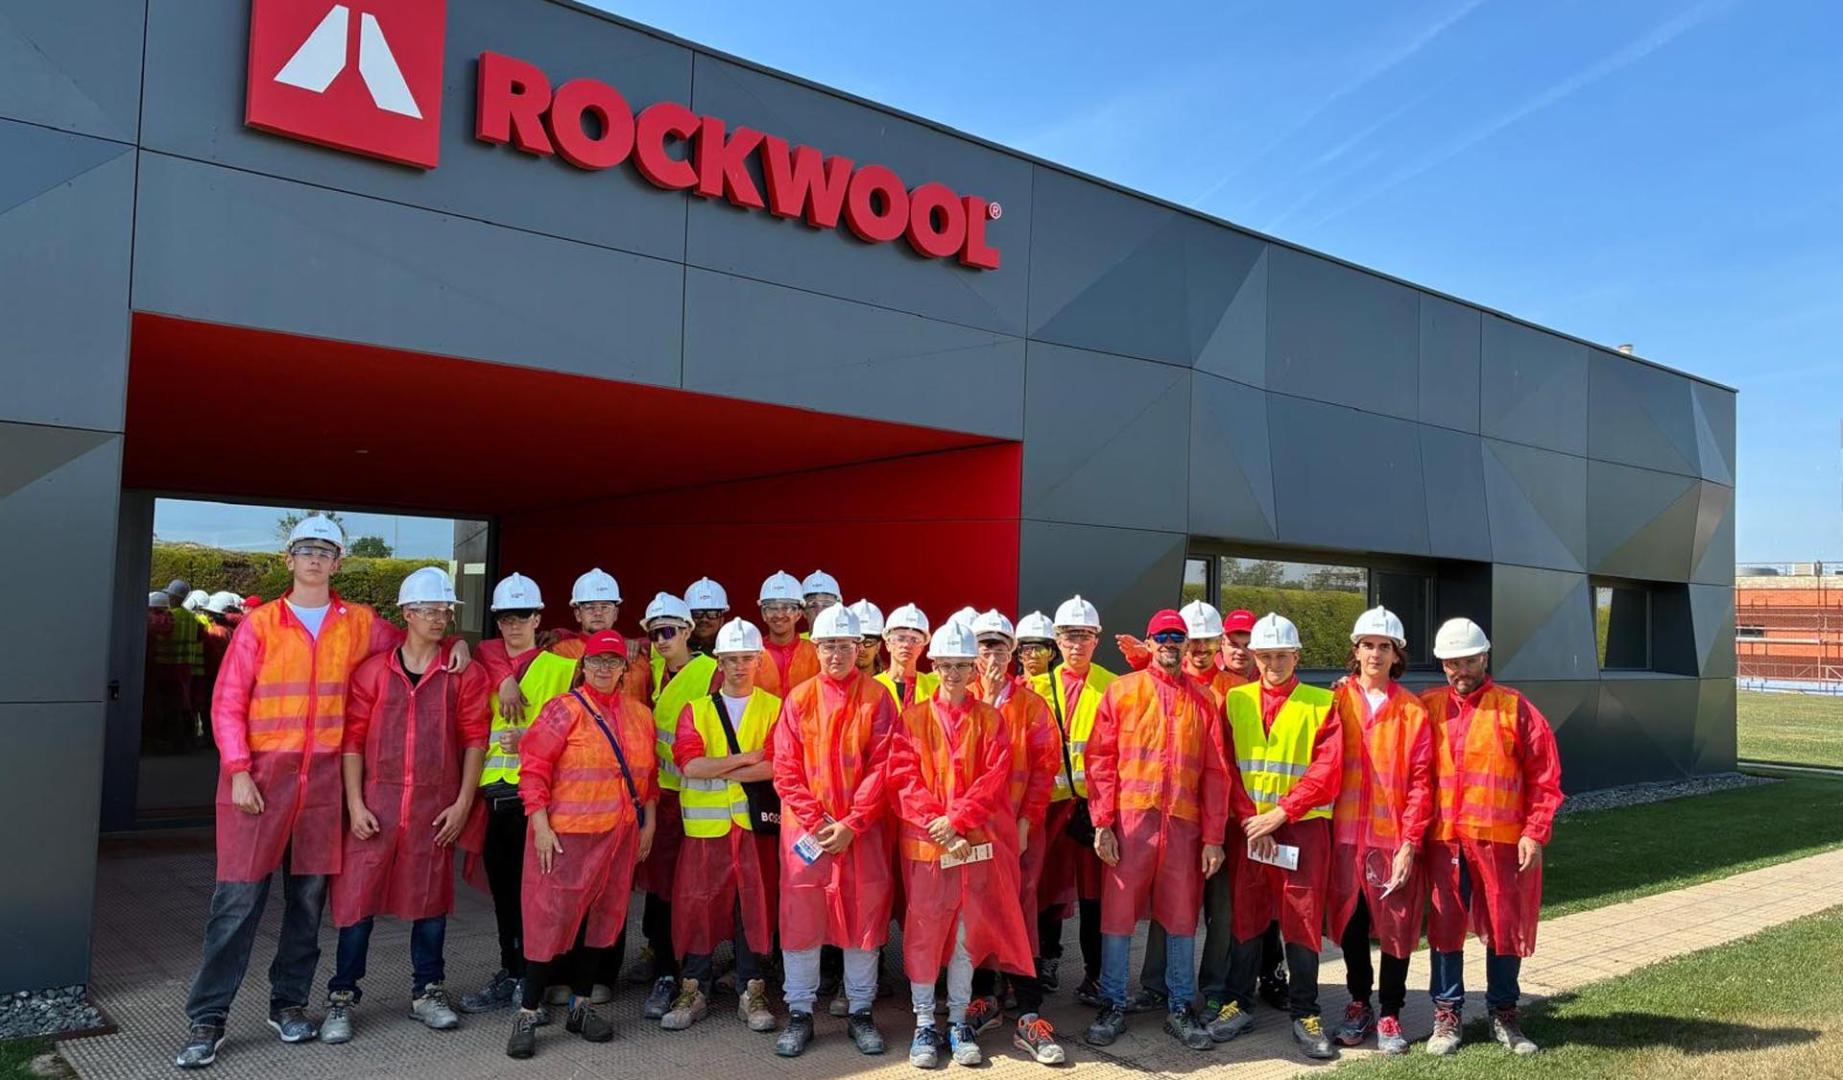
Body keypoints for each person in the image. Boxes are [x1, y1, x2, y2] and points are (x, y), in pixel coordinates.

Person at [174, 516, 469, 1070]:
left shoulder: (359, 623)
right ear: (290, 559)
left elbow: (416, 636)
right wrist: (238, 769)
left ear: (337, 563)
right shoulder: (259, 624)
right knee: (235, 906)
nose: (314, 558)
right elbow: (227, 701)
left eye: (325, 551)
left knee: (307, 906)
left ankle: (289, 1006)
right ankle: (207, 1017)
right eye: (305, 549)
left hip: (325, 786)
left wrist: (457, 643)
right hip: (260, 781)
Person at [321, 568, 490, 1044]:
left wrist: (462, 803)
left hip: (433, 808)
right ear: (407, 614)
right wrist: (354, 804)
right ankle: (341, 997)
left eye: (446, 611)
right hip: (377, 804)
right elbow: (352, 741)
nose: (440, 618)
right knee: (356, 906)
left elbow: (476, 738)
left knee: (431, 904)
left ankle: (428, 991)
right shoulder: (374, 671)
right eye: (431, 610)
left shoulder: (463, 675)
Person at [504, 630, 659, 1060]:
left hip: (619, 835)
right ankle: (529, 1011)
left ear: (625, 669)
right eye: (597, 662)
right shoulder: (563, 710)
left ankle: (581, 1005)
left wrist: (647, 826)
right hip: (565, 837)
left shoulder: (639, 715)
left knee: (603, 921)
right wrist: (540, 825)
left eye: (613, 661)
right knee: (547, 921)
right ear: (584, 666)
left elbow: (647, 780)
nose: (605, 668)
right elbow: (533, 768)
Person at [889, 619, 1034, 1069]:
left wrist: (956, 820)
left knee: (964, 941)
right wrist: (937, 821)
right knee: (924, 936)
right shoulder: (912, 719)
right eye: (946, 665)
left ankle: (957, 1021)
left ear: (974, 669)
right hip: (929, 847)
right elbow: (901, 777)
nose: (953, 673)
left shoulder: (990, 720)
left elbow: (994, 780)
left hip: (969, 845)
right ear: (933, 666)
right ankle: (924, 1025)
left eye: (961, 665)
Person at [1081, 610, 1229, 1052]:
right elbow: (1100, 761)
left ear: (1186, 646)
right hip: (1130, 824)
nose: (1170, 643)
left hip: (1182, 828)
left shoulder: (1205, 701)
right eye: (1162, 636)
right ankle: (1111, 1003)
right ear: (1149, 642)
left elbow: (1216, 774)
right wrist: (1103, 823)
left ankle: (1181, 1007)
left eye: (1177, 637)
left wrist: (1214, 838)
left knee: (1182, 919)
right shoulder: (1122, 692)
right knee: (1117, 918)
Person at [1421, 618, 1563, 1057]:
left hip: (1502, 842)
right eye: (1450, 663)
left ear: (1485, 657)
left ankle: (1504, 1013)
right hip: (1445, 841)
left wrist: (1534, 833)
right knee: (1445, 928)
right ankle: (1447, 1016)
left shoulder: (1515, 708)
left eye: (1467, 660)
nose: (1459, 670)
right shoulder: (1426, 708)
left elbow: (1545, 778)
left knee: (1505, 927)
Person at [768, 604, 896, 1058]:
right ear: (815, 648)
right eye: (828, 645)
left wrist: (852, 823)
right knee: (802, 920)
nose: (836, 654)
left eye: (845, 645)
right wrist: (820, 822)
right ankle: (799, 1012)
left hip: (860, 835)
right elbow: (785, 769)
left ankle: (861, 1011)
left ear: (859, 648)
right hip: (809, 835)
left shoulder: (878, 699)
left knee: (862, 918)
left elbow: (884, 765)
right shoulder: (798, 699)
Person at [1220, 613, 1342, 1059]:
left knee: (1302, 921)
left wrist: (1279, 816)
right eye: (1265, 655)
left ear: (1297, 656)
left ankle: (1305, 1012)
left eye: (1281, 655)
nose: (1273, 663)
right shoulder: (1235, 701)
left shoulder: (1322, 704)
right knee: (1246, 917)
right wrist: (1253, 820)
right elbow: (1226, 768)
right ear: (1253, 657)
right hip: (1251, 829)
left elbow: (1326, 771)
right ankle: (1237, 1003)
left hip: (1302, 830)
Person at [1135, 600, 1255, 1017]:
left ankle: (1214, 986)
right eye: (1194, 640)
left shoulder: (1235, 689)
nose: (1200, 648)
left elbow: (1230, 764)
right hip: (1175, 816)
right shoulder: (1165, 681)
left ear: (1216, 641)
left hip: (1221, 818)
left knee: (1221, 909)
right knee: (1168, 904)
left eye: (1207, 640)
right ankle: (1156, 983)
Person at [665, 618, 783, 1032]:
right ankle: (693, 986)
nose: (738, 667)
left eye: (746, 658)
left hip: (753, 830)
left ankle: (752, 990)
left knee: (754, 906)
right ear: (718, 661)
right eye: (730, 659)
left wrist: (724, 769)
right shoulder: (695, 709)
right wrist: (746, 759)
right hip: (706, 832)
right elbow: (690, 765)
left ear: (759, 660)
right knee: (698, 904)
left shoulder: (775, 707)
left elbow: (777, 766)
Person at [1325, 607, 1433, 1055]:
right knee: (1351, 923)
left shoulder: (1412, 710)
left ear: (1396, 654)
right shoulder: (1333, 700)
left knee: (1395, 927)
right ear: (1355, 651)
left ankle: (1390, 1011)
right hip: (1345, 835)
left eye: (1383, 646)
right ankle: (1357, 1002)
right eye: (1367, 645)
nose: (1374, 653)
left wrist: (1411, 842)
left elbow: (1422, 780)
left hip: (1392, 838)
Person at [966, 610, 1065, 1064]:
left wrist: (1027, 823)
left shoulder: (1031, 705)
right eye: (984, 646)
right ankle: (983, 997)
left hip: (1020, 830)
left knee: (1020, 909)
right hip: (972, 832)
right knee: (977, 909)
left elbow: (1045, 770)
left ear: (1014, 653)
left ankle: (1028, 1010)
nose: (992, 654)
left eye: (1000, 646)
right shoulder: (958, 698)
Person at [458, 573, 549, 1014]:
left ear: (538, 619)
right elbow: (475, 651)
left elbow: (575, 728)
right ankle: (511, 972)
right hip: (495, 802)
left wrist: (531, 739)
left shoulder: (561, 665)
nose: (513, 625)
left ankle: (534, 981)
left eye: (522, 616)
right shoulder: (485, 659)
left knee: (537, 898)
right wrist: (501, 678)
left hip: (536, 805)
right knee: (505, 898)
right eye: (505, 618)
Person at [638, 592, 722, 1020]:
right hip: (656, 796)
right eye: (653, 632)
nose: (660, 639)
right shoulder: (650, 668)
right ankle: (660, 960)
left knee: (682, 891)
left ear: (688, 631)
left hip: (692, 798)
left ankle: (677, 973)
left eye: (668, 631)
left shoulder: (711, 673)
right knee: (657, 888)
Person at [1031, 595, 1114, 1005]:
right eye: (1068, 635)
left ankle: (1095, 974)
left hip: (1093, 808)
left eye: (1084, 635)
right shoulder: (1036, 686)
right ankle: (1045, 960)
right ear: (1056, 640)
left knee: (1093, 896)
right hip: (1048, 806)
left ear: (1096, 639)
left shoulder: (1113, 686)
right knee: (1044, 887)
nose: (1076, 643)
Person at [756, 571, 820, 697]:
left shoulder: (816, 653)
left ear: (798, 614)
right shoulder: (752, 654)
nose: (779, 615)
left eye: (787, 608)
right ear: (763, 614)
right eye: (772, 608)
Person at [876, 604, 940, 709]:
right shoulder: (873, 686)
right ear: (888, 644)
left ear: (921, 648)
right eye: (901, 638)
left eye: (915, 640)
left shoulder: (935, 686)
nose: (907, 645)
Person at [685, 577, 730, 654]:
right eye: (697, 614)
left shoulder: (732, 650)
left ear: (722, 620)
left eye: (712, 614)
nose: (704, 619)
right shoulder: (676, 650)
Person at [1014, 612, 1058, 680]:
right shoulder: (1010, 689)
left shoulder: (1063, 688)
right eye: (1027, 649)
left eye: (1040, 649)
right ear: (1020, 655)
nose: (1034, 655)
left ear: (1052, 654)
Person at [850, 599, 887, 675]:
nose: (862, 648)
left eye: (868, 642)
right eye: (857, 641)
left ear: (878, 646)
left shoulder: (890, 681)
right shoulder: (833, 680)